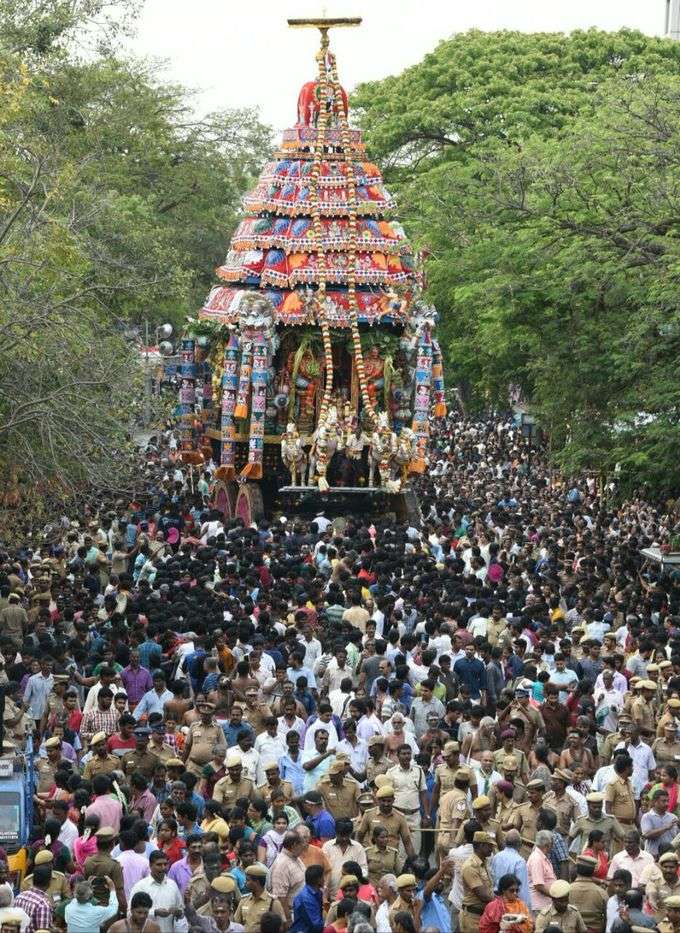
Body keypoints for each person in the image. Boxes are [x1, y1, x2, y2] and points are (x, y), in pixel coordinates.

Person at [128, 850, 186, 933]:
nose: (163, 868)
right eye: (159, 865)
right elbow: (130, 913)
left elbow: (181, 911)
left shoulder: (172, 885)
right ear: (150, 866)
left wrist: (178, 912)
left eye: (165, 864)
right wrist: (155, 912)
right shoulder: (141, 886)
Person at [290, 864, 324, 933]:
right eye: (323, 877)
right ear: (319, 880)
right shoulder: (306, 898)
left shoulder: (317, 892)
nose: (324, 880)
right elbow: (316, 925)